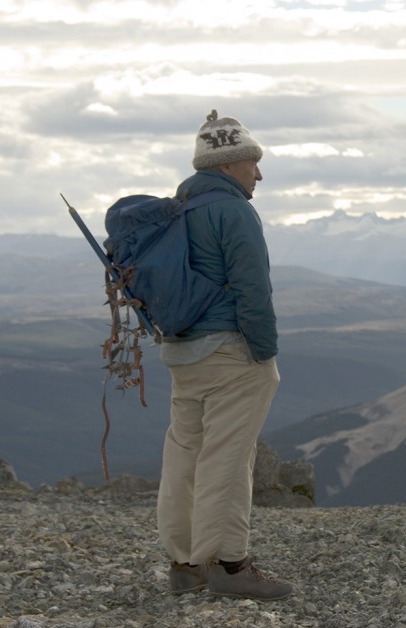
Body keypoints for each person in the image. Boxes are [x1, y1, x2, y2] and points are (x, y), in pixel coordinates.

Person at [156, 110, 291, 601]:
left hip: (183, 351)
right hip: (231, 352)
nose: (259, 173)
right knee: (229, 457)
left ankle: (182, 562)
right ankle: (226, 564)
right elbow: (254, 289)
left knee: (186, 453)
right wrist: (265, 354)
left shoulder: (179, 206)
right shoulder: (233, 211)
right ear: (230, 164)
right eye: (253, 162)